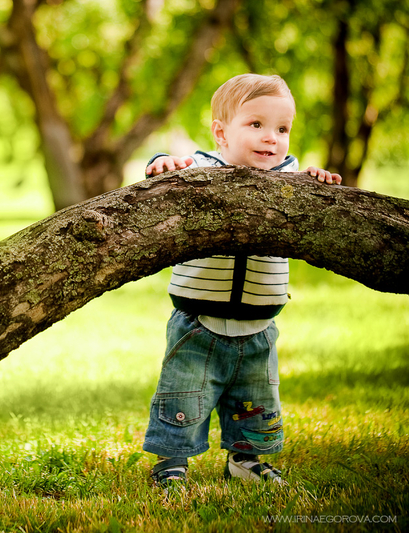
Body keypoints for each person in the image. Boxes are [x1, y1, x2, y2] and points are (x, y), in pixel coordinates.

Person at [142, 73, 341, 489]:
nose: (271, 137)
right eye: (256, 124)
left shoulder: (290, 179)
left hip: (260, 327)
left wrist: (319, 180)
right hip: (197, 323)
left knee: (256, 401)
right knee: (184, 394)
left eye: (282, 129)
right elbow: (163, 173)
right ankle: (171, 462)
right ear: (221, 133)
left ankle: (246, 460)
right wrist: (161, 163)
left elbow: (317, 199)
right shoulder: (202, 169)